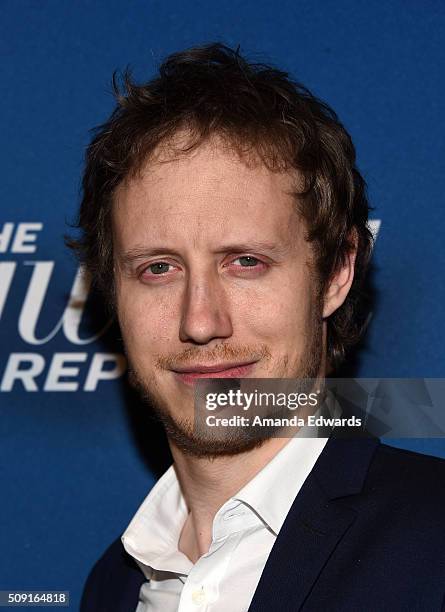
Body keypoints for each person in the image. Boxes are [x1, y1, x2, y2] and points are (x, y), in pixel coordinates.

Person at [72, 43, 445, 611]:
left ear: (337, 272)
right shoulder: (113, 586)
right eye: (158, 268)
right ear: (112, 291)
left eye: (245, 262)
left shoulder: (434, 545)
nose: (200, 322)